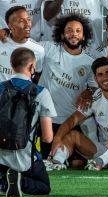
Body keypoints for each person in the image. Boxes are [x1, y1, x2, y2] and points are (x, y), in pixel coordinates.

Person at [46, 57, 108, 171]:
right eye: (100, 75)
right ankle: (56, 162)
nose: (105, 77)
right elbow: (72, 120)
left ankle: (100, 162)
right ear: (95, 78)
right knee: (73, 135)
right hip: (107, 148)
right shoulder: (95, 98)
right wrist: (57, 138)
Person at [39, 13, 99, 159]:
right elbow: (25, 47)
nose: (74, 34)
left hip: (69, 121)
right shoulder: (48, 48)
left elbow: (96, 87)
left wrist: (89, 91)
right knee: (42, 159)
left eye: (78, 31)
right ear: (62, 35)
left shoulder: (90, 63)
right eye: (69, 30)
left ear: (84, 37)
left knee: (77, 163)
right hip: (45, 119)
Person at [0, 48, 56, 197]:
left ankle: (2, 182)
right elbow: (48, 137)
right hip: (24, 159)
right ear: (32, 67)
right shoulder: (41, 92)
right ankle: (20, 181)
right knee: (43, 186)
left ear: (12, 66)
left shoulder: (0, 88)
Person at [0, 7, 46, 82]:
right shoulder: (1, 41)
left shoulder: (39, 50)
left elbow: (36, 74)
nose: (27, 24)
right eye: (21, 21)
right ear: (10, 25)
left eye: (28, 19)